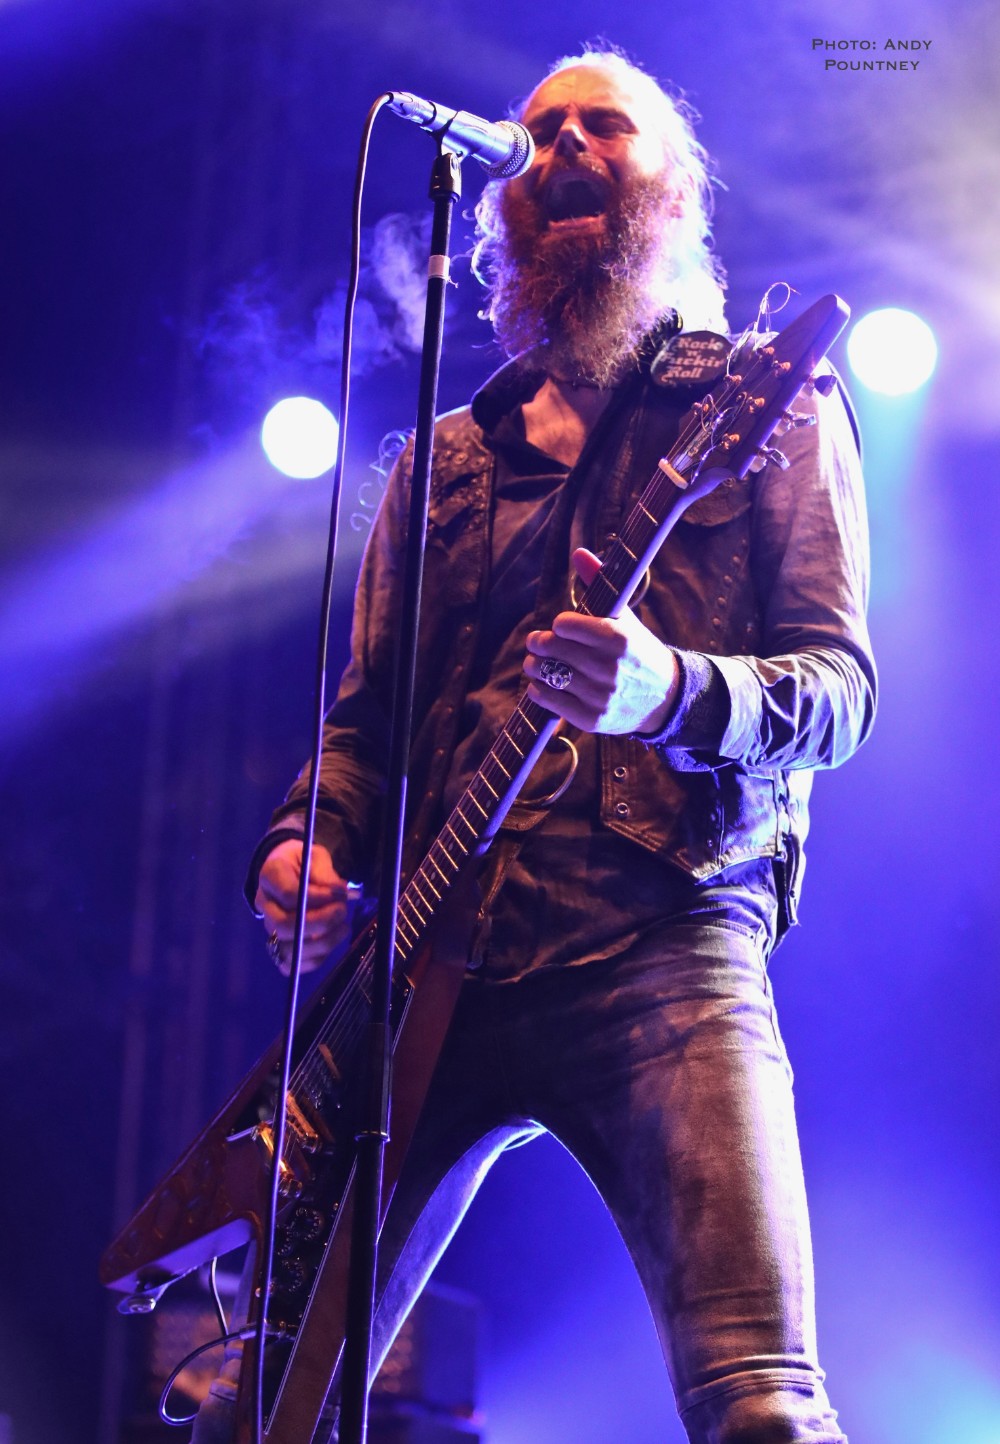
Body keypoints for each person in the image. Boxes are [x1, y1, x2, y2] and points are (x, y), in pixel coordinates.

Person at [196, 46, 875, 1444]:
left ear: (675, 188)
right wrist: (306, 840)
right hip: (437, 959)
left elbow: (838, 693)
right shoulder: (443, 462)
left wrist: (671, 689)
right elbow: (363, 726)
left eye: (604, 126)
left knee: (762, 1406)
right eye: (541, 128)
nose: (564, 145)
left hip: (665, 938)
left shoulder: (766, 405)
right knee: (259, 1412)